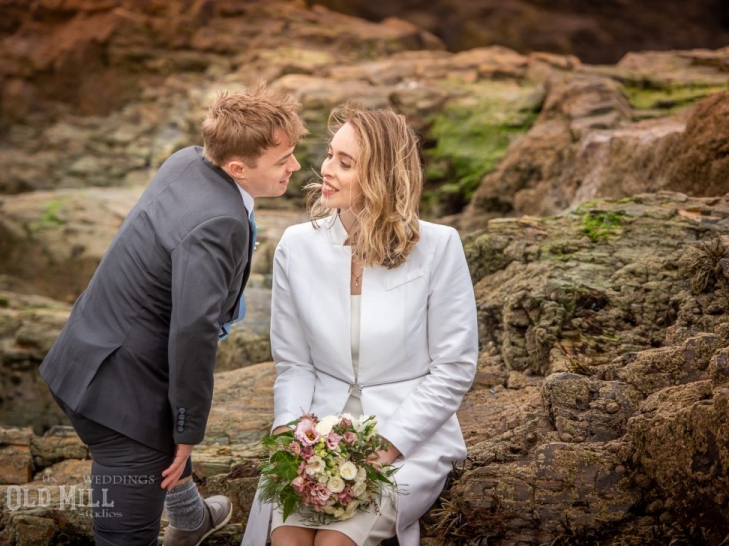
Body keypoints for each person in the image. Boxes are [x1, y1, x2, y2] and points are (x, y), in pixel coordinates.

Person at [40, 83, 307, 546]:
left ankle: (190, 519)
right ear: (238, 168)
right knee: (126, 537)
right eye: (283, 160)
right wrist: (188, 431)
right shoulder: (218, 222)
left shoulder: (187, 161)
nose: (296, 166)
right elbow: (192, 331)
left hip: (82, 353)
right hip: (119, 402)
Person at [242, 104, 478, 545]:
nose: (325, 169)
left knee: (336, 542)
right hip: (318, 431)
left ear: (383, 176)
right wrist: (289, 437)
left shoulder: (440, 247)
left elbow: (453, 370)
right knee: (287, 538)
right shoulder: (296, 247)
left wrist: (387, 445)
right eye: (330, 155)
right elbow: (294, 365)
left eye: (345, 163)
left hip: (408, 432)